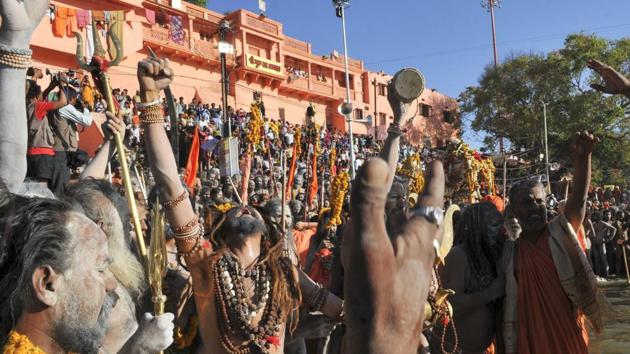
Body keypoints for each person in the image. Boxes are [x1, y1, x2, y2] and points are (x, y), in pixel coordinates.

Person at [136, 57, 343, 353]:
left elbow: (338, 308)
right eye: (233, 210)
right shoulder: (205, 264)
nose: (242, 207)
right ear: (220, 232)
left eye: (250, 209)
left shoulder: (283, 271)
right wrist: (150, 100)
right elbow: (170, 184)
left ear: (266, 231)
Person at [500, 131, 602, 354]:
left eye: (539, 201)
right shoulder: (510, 251)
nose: (535, 207)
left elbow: (579, 202)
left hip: (568, 335)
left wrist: (583, 159)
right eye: (527, 203)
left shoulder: (560, 235)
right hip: (529, 340)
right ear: (515, 210)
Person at [435, 202, 505, 353]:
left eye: (498, 224)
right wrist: (490, 293)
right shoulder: (458, 256)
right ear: (476, 227)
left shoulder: (490, 258)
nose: (497, 231)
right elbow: (448, 306)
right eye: (492, 225)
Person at [590, 210, 616, 277]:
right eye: (593, 215)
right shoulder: (591, 224)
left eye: (595, 215)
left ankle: (607, 274)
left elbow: (614, 229)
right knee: (596, 259)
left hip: (601, 243)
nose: (594, 216)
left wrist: (609, 239)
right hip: (594, 245)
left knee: (603, 259)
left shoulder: (602, 223)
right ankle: (598, 274)